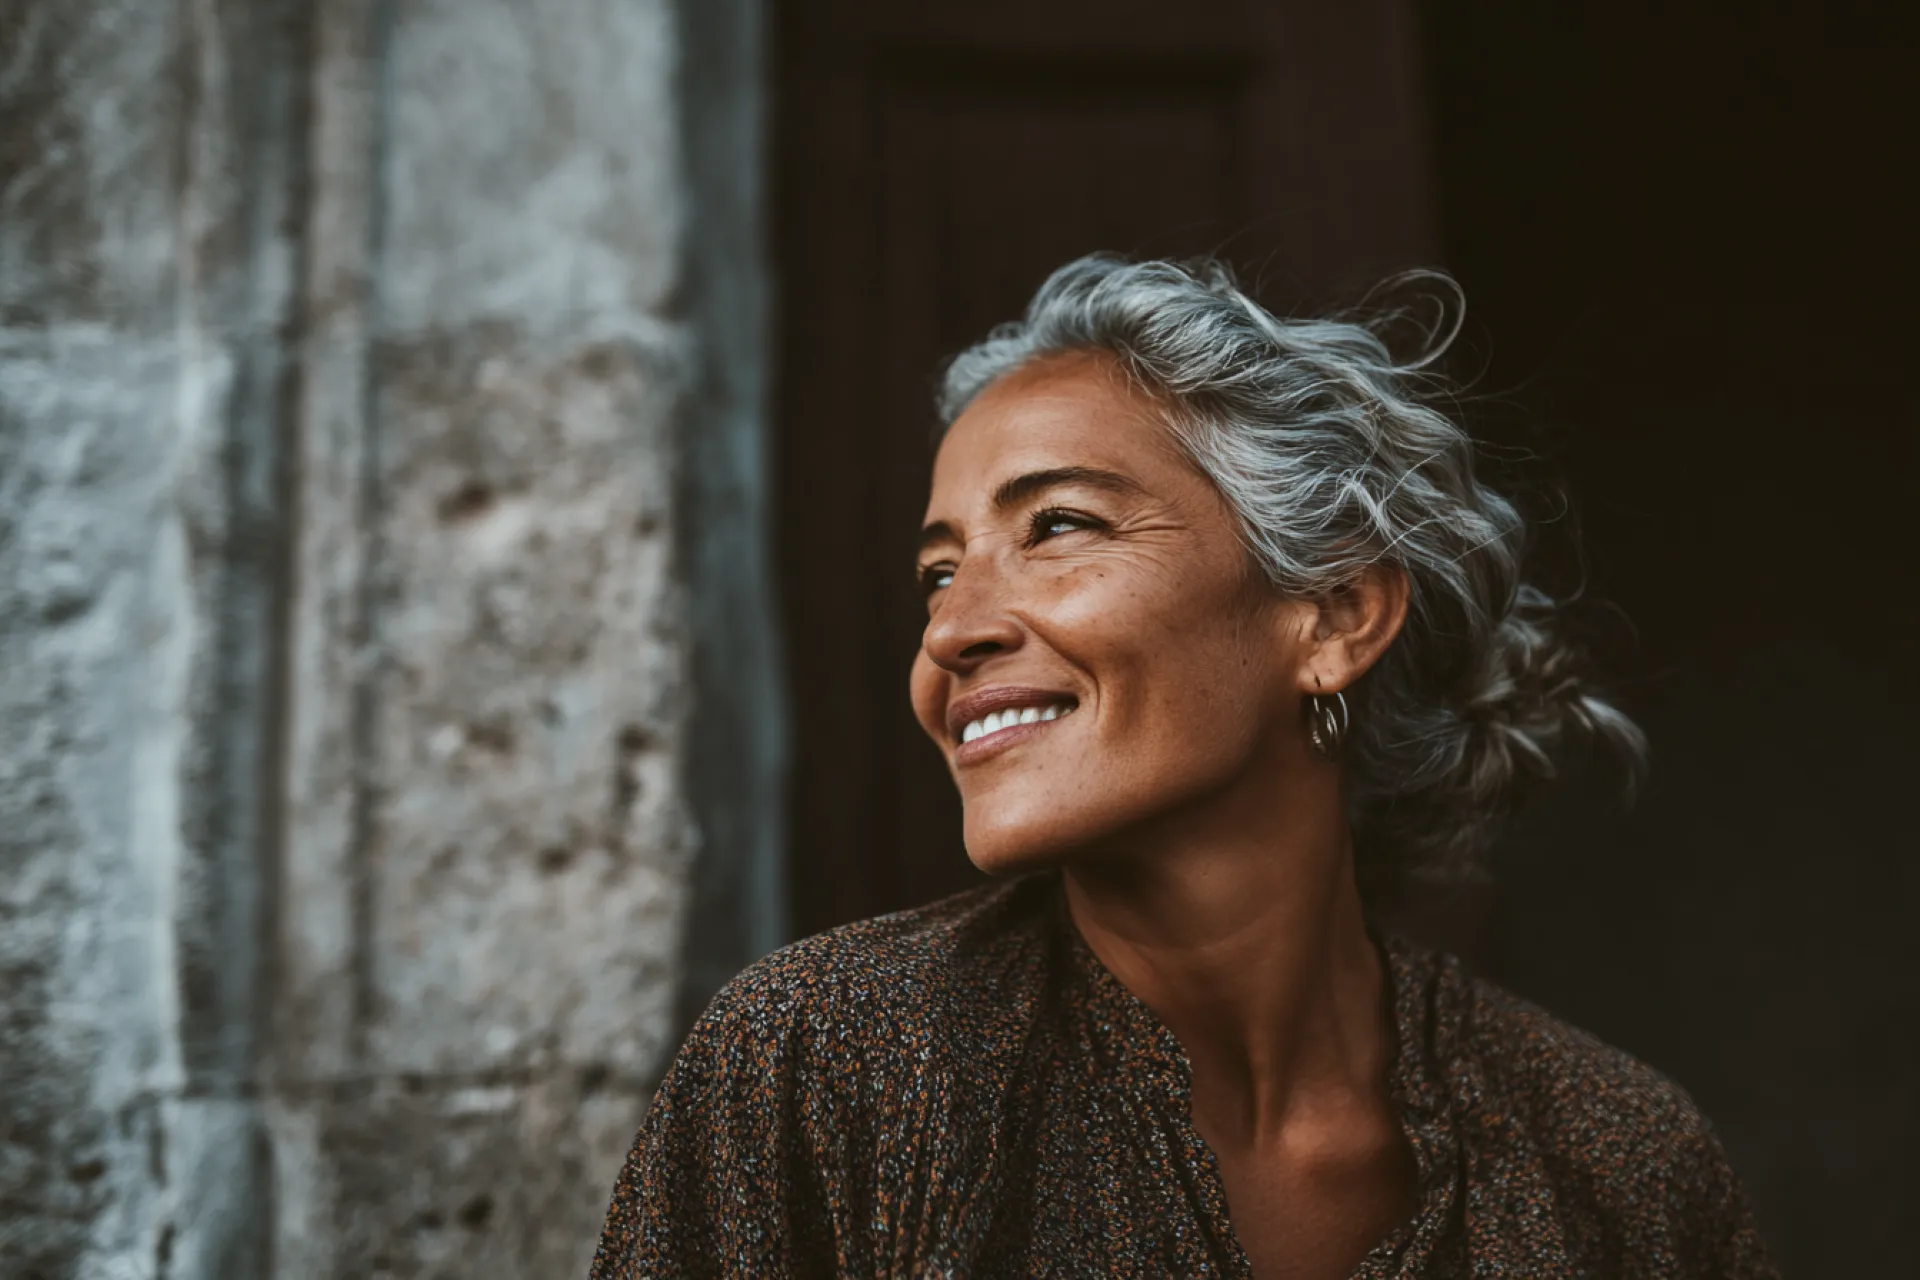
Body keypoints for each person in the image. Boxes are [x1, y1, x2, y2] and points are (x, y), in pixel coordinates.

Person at [590, 256, 1778, 1278]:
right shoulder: (820, 1064)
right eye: (939, 572)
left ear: (1334, 616)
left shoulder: (1619, 1162)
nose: (950, 632)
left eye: (1057, 524)